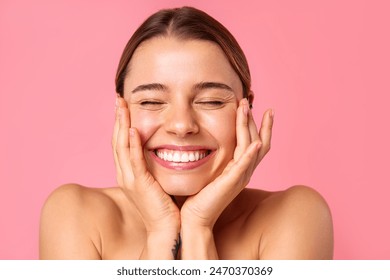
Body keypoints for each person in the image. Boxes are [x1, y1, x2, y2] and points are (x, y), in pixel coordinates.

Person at [39, 6, 333, 259]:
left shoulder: (295, 216)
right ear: (121, 112)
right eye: (152, 102)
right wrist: (160, 231)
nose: (181, 126)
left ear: (247, 110)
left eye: (211, 101)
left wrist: (198, 226)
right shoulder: (74, 215)